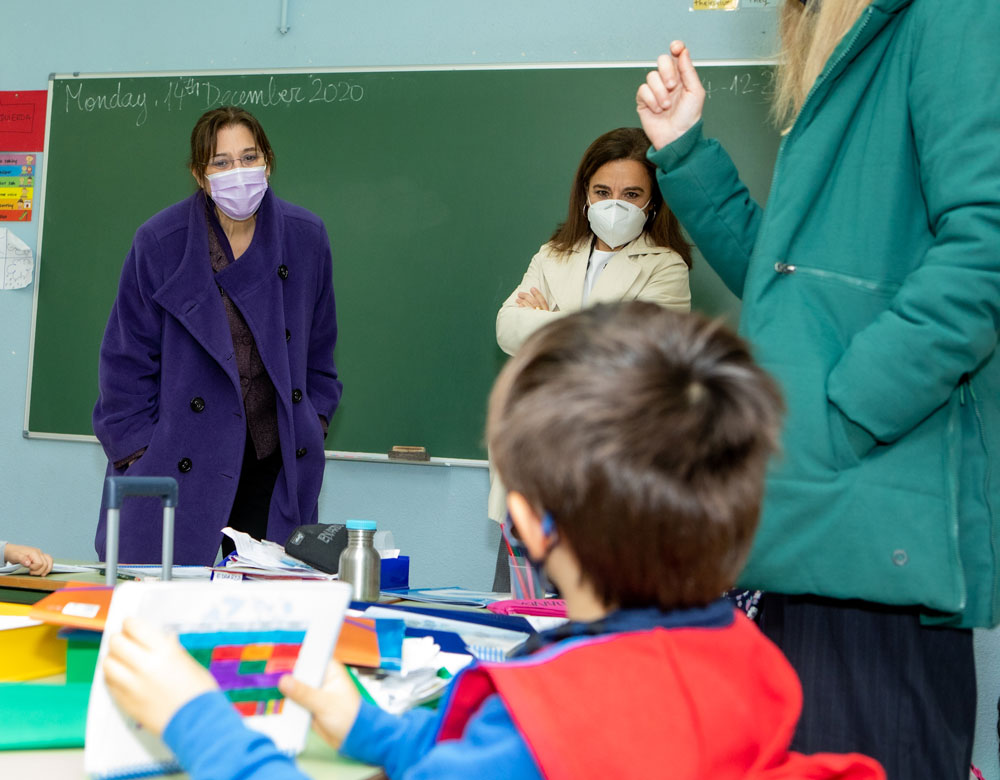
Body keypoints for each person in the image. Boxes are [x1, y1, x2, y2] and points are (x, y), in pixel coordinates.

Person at [101, 303, 885, 780]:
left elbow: (519, 760)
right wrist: (375, 731)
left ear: (531, 520)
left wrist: (193, 716)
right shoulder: (743, 654)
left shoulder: (551, 720)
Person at [635, 1, 1000, 776]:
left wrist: (842, 417)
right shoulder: (856, 50)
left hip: (865, 521)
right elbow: (788, 290)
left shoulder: (947, 16)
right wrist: (685, 156)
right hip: (817, 518)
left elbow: (987, 250)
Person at [92, 106, 342, 566]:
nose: (238, 172)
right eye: (221, 162)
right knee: (167, 617)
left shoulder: (306, 237)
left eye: (249, 157)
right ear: (199, 174)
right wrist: (140, 455)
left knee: (263, 621)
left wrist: (313, 423)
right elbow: (124, 363)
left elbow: (320, 354)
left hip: (272, 470)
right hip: (177, 467)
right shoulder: (161, 242)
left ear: (268, 160)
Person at [489, 126, 693, 587]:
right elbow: (507, 329)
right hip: (532, 466)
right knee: (521, 622)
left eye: (631, 193)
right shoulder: (552, 254)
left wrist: (550, 321)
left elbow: (632, 354)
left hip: (612, 475)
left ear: (653, 202)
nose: (614, 203)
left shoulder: (667, 267)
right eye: (603, 191)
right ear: (585, 193)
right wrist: (592, 326)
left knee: (593, 628)